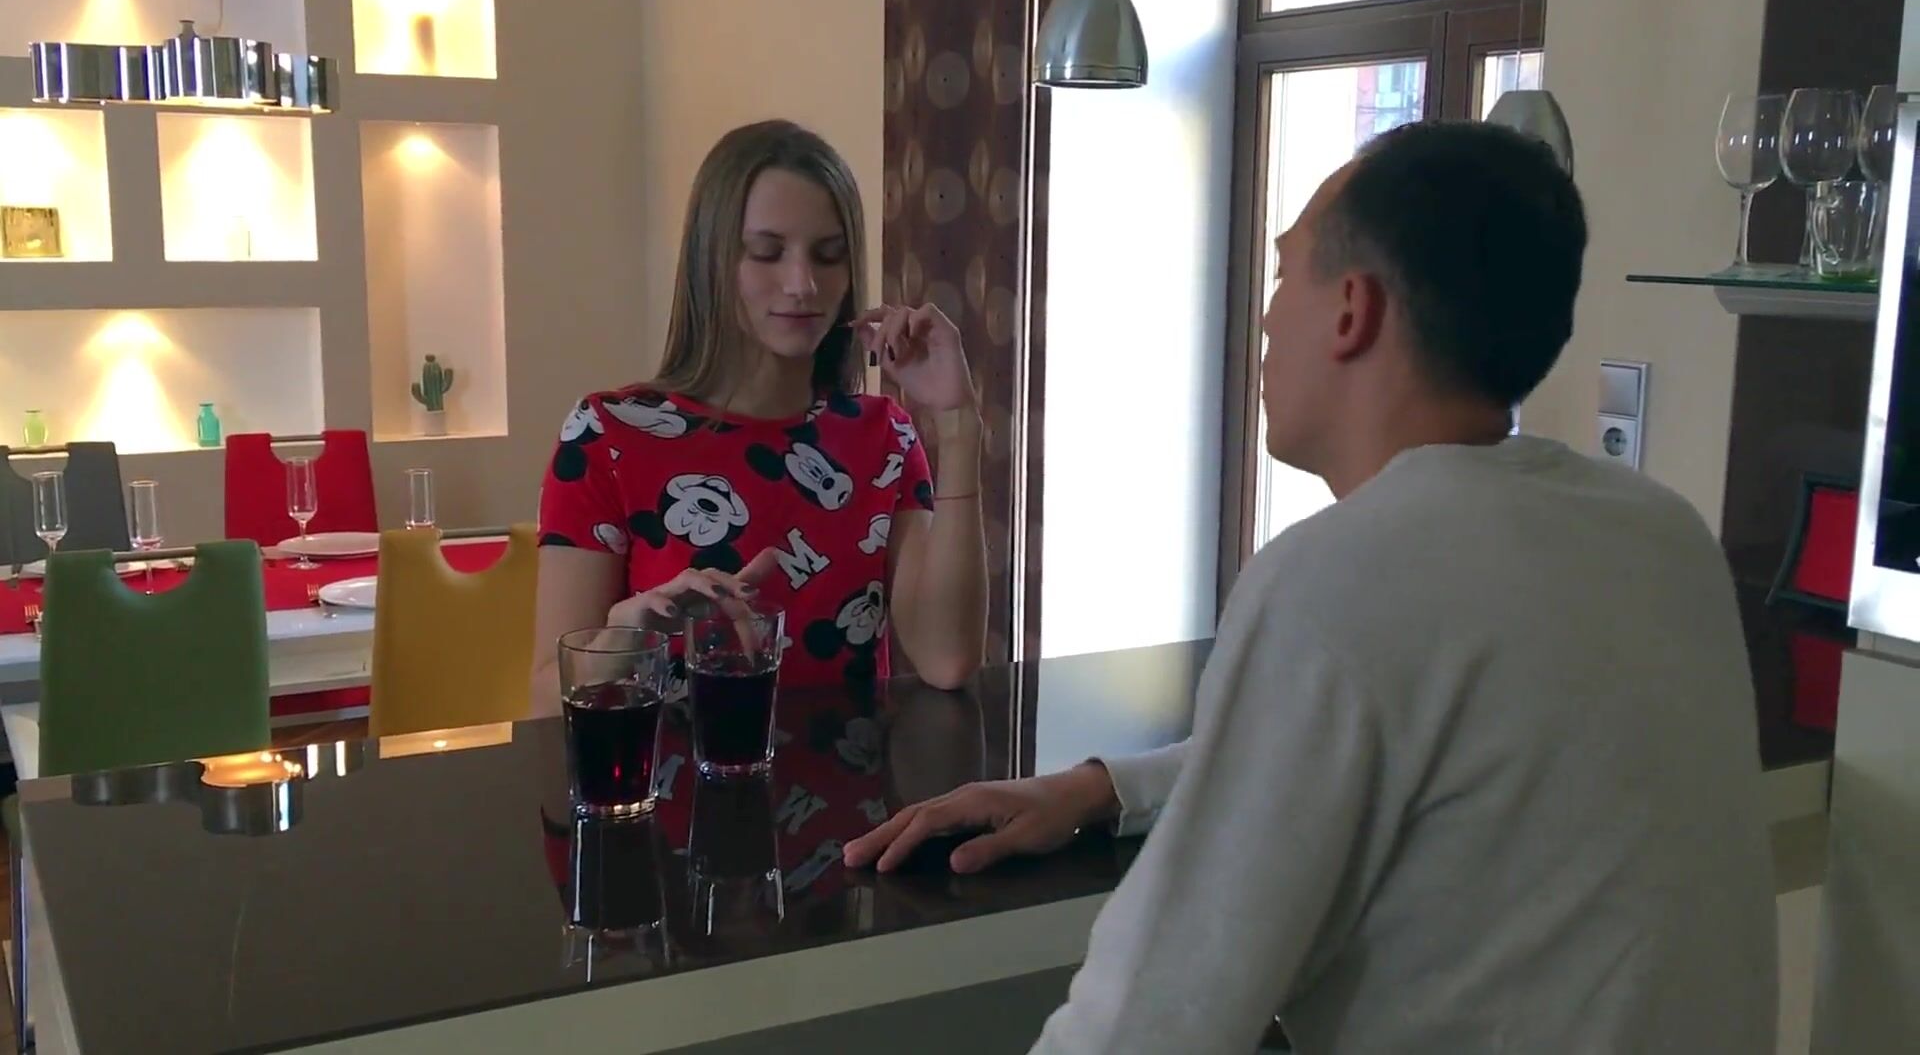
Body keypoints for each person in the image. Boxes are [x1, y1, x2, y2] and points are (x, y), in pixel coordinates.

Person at [845, 122, 1777, 1052]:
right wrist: (1100, 790)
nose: (1264, 318)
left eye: (1286, 272)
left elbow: (1149, 1021)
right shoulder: (1663, 536)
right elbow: (1383, 757)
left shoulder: (1343, 576)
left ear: (1351, 311)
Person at [532, 120, 988, 712]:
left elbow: (946, 660)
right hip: (667, 771)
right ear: (712, 262)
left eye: (829, 256)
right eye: (767, 253)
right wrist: (625, 637)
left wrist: (957, 423)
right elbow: (543, 703)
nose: (802, 284)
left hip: (850, 772)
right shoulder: (606, 436)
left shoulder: (884, 438)